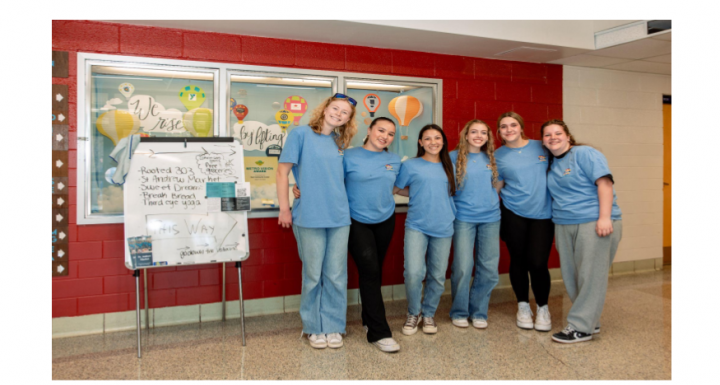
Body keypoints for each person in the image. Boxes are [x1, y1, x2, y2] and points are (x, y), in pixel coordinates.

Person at [293, 117, 405, 353]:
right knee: (370, 270)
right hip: (354, 220)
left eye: (391, 133)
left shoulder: (394, 160)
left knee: (374, 272)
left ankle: (367, 319)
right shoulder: (348, 155)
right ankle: (379, 332)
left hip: (385, 219)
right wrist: (300, 187)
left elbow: (397, 188)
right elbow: (329, 180)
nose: (385, 136)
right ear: (370, 130)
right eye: (381, 130)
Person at [276, 93, 357, 349]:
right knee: (312, 274)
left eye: (345, 112)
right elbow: (282, 172)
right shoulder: (300, 134)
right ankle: (313, 327)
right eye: (335, 108)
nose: (339, 114)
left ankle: (333, 326)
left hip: (339, 216)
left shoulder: (340, 141)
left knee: (335, 274)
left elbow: (340, 179)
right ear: (324, 109)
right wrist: (285, 208)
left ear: (349, 119)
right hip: (309, 214)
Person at [540, 119, 623, 344]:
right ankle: (590, 321)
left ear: (568, 136)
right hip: (564, 223)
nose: (553, 137)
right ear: (543, 141)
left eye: (558, 133)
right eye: (547, 135)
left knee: (590, 275)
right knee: (572, 275)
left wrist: (604, 218)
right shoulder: (551, 163)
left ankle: (580, 327)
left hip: (593, 221)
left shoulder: (585, 153)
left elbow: (604, 184)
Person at [494, 112, 554, 332]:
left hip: (543, 214)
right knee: (518, 260)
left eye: (513, 125)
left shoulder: (542, 147)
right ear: (499, 132)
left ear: (521, 127)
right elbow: (497, 186)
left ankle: (543, 308)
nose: (509, 129)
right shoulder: (497, 156)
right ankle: (522, 306)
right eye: (503, 127)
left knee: (538, 262)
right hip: (513, 212)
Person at [395, 124, 457, 336]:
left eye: (437, 138)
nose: (433, 142)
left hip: (444, 226)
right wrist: (417, 193)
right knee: (413, 272)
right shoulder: (411, 165)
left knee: (437, 275)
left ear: (443, 141)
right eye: (427, 139)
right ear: (420, 142)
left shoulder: (451, 165)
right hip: (417, 225)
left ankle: (429, 312)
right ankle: (414, 312)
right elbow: (396, 188)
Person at [448, 120, 501, 329]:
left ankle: (479, 311)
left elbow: (498, 184)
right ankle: (459, 311)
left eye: (484, 133)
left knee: (488, 267)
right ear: (466, 135)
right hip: (463, 218)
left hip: (490, 219)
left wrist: (487, 200)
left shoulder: (492, 158)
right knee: (462, 266)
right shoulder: (452, 157)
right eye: (474, 132)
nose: (479, 136)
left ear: (488, 137)